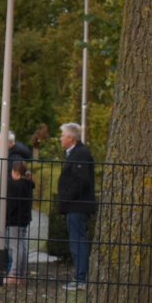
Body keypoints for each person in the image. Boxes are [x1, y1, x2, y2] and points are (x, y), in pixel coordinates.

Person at [58, 121, 96, 290]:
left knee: (77, 241)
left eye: (63, 135)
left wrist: (66, 198)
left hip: (77, 205)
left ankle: (81, 278)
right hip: (75, 205)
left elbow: (81, 180)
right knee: (77, 240)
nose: (61, 138)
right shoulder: (76, 153)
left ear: (71, 138)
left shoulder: (80, 154)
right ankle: (80, 276)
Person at [4, 158, 35, 284]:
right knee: (21, 245)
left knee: (15, 246)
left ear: (15, 171)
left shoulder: (16, 185)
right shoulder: (27, 184)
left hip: (15, 219)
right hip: (23, 218)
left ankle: (14, 274)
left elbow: (12, 204)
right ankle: (21, 274)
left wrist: (6, 215)